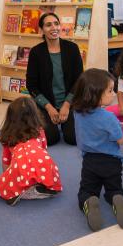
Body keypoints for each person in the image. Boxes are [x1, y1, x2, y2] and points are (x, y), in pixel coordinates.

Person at [72, 69, 123, 232]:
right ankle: (117, 199)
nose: (113, 94)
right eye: (110, 91)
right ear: (95, 94)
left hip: (90, 162)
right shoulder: (108, 118)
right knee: (114, 188)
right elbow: (121, 140)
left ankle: (89, 201)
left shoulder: (77, 113)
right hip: (112, 162)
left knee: (87, 190)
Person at [26, 12, 84, 146]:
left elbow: (80, 80)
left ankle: (67, 122)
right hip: (47, 103)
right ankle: (38, 120)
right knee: (51, 139)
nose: (54, 28)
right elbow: (31, 85)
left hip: (69, 101)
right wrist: (48, 107)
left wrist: (67, 104)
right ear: (41, 30)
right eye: (48, 25)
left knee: (73, 139)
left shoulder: (72, 48)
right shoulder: (36, 52)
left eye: (56, 24)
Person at [0, 97, 62, 206]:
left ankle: (17, 192)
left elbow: (6, 161)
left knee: (0, 184)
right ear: (35, 116)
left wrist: (5, 177)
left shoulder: (8, 136)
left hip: (20, 168)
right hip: (44, 164)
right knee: (42, 168)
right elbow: (44, 150)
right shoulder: (39, 131)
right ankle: (44, 187)